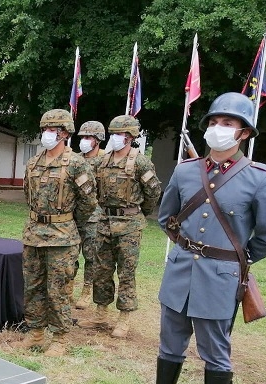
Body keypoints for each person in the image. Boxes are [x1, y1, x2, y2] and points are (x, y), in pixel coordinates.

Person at [135, 92, 266, 384]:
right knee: (169, 346)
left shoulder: (259, 177)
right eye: (215, 122)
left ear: (244, 133)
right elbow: (166, 217)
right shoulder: (187, 171)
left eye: (228, 123)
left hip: (221, 279)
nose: (219, 129)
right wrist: (188, 248)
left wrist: (236, 260)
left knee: (216, 355)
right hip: (179, 274)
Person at [11, 109, 98, 357]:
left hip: (62, 236)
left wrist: (67, 222)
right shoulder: (33, 162)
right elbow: (28, 195)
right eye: (45, 129)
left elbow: (88, 202)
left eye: (52, 130)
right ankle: (36, 332)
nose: (47, 134)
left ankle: (60, 337)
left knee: (59, 288)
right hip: (34, 233)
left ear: (65, 133)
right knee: (33, 285)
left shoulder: (77, 163)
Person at [78, 114, 161, 338]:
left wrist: (138, 213)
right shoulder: (101, 161)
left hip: (129, 226)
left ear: (131, 136)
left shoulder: (140, 162)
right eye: (113, 133)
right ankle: (101, 312)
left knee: (126, 272)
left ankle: (124, 317)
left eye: (120, 134)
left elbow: (153, 192)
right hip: (103, 223)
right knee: (101, 270)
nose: (115, 137)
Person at [74, 120, 106, 309]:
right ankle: (68, 286)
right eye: (83, 137)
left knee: (91, 255)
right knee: (70, 253)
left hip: (94, 216)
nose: (84, 141)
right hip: (73, 214)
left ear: (98, 140)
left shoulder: (105, 161)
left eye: (88, 137)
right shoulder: (76, 159)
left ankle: (87, 290)